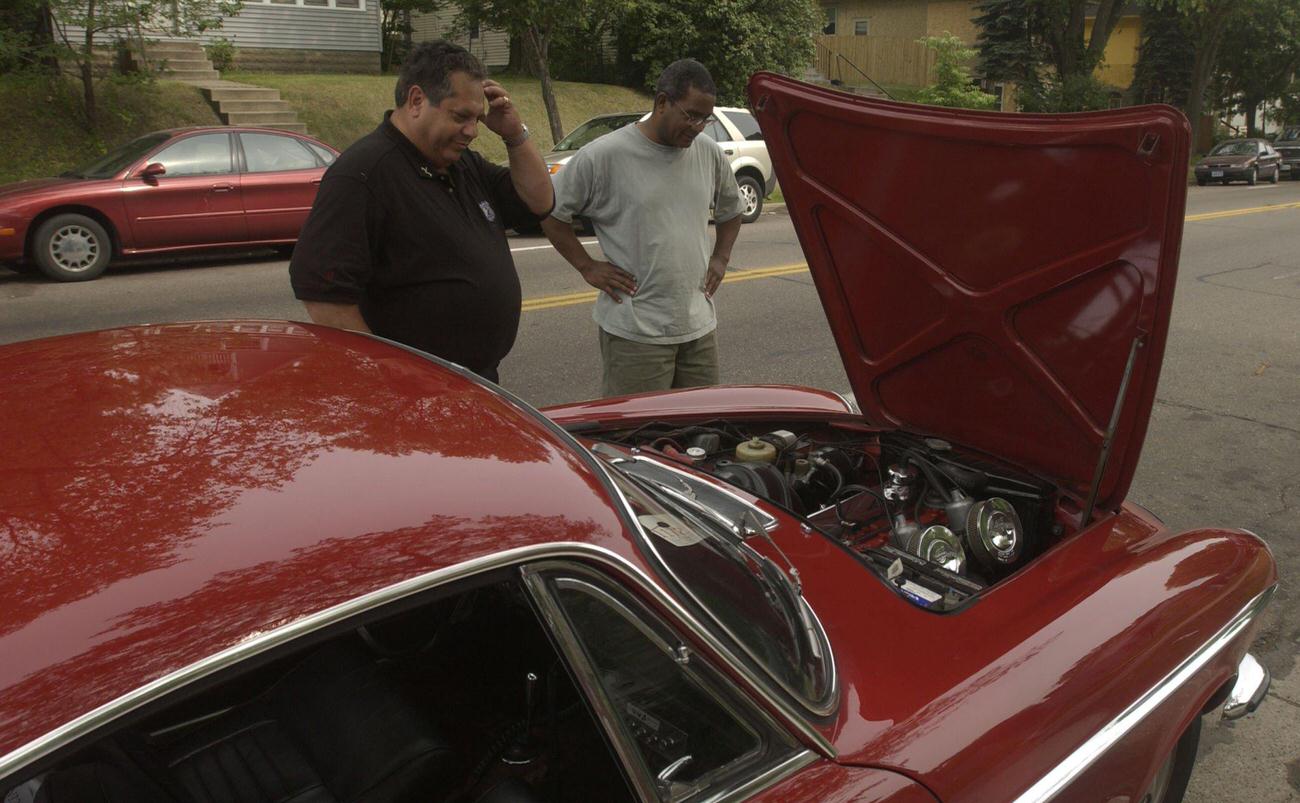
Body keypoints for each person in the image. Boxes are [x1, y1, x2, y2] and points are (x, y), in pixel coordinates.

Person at [289, 41, 553, 384]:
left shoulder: (462, 164)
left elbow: (539, 202)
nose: (472, 131)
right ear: (416, 101)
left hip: (476, 383)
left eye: (476, 118)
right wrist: (388, 374)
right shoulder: (365, 173)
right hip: (413, 396)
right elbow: (323, 296)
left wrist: (514, 134)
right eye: (460, 117)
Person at [542, 58, 743, 396]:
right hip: (636, 333)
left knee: (704, 433)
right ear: (662, 103)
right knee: (639, 437)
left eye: (705, 119)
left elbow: (731, 210)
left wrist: (721, 258)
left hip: (698, 328)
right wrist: (586, 265)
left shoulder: (707, 152)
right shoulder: (603, 155)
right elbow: (551, 213)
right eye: (691, 115)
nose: (697, 127)